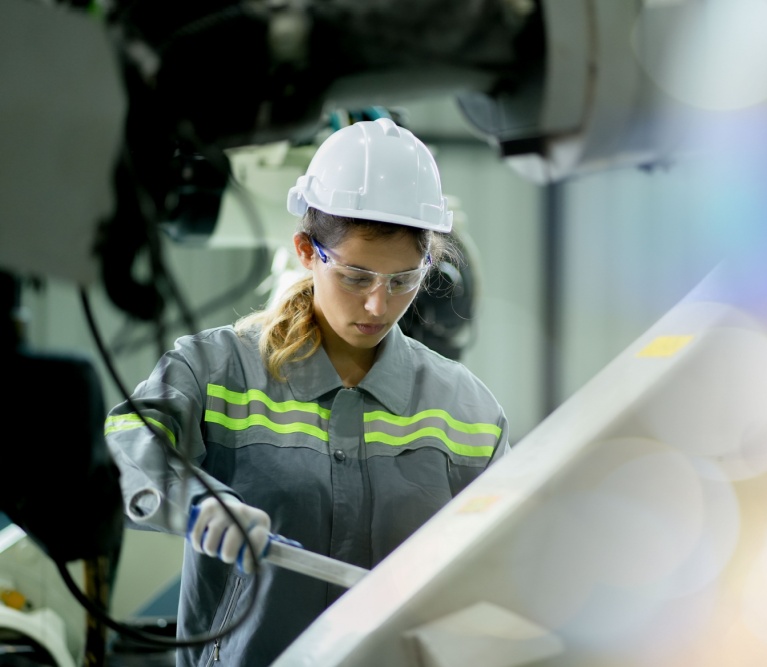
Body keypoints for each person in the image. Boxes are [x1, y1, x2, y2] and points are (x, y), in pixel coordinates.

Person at [103, 117, 511, 666]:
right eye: (357, 277)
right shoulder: (217, 369)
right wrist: (199, 503)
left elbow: (506, 566)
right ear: (306, 249)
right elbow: (126, 441)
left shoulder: (470, 411)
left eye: (403, 281)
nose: (378, 306)